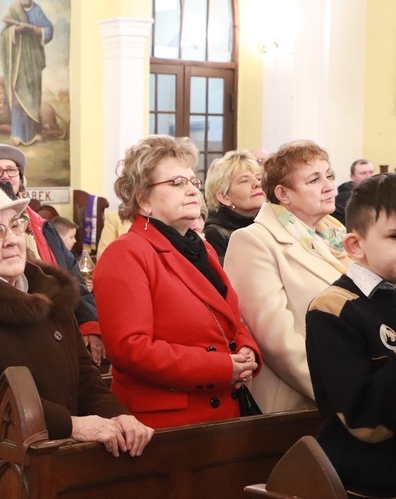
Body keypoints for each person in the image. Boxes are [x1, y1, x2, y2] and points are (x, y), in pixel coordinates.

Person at [0, 183, 154, 498]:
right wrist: (73, 426)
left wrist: (117, 415)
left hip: (55, 473)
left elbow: (83, 377)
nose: (12, 239)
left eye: (16, 224)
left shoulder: (48, 294)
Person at [94, 135, 261, 429]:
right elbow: (130, 349)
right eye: (176, 183)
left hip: (224, 411)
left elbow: (229, 317)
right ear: (143, 199)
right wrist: (220, 367)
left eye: (192, 182)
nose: (192, 191)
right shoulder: (126, 253)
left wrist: (246, 350)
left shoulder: (201, 247)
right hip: (167, 425)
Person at [224, 139, 349, 414]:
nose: (329, 186)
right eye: (314, 180)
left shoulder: (336, 235)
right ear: (283, 193)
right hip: (302, 402)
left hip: (354, 381)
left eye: (329, 175)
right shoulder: (254, 241)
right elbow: (278, 343)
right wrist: (344, 396)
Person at [0, 144, 106, 365]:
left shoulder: (44, 227)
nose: (5, 176)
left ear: (20, 177)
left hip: (58, 332)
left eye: (11, 169)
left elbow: (72, 278)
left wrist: (89, 323)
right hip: (8, 340)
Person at [306, 173, 396, 495]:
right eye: (395, 236)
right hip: (369, 475)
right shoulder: (333, 309)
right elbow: (365, 422)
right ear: (356, 245)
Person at [0, 0, 53, 146]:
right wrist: (14, 31)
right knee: (18, 96)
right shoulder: (14, 8)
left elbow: (49, 29)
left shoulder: (37, 10)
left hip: (33, 62)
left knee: (32, 98)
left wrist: (36, 30)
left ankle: (34, 132)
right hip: (18, 62)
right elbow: (4, 33)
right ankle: (17, 133)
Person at [203, 150, 265, 264]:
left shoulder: (268, 223)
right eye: (245, 180)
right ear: (225, 196)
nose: (257, 184)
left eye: (259, 178)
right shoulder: (214, 234)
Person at [332, 159, 375, 225]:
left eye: (371, 172)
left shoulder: (381, 194)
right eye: (363, 173)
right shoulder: (341, 201)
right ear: (352, 177)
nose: (368, 176)